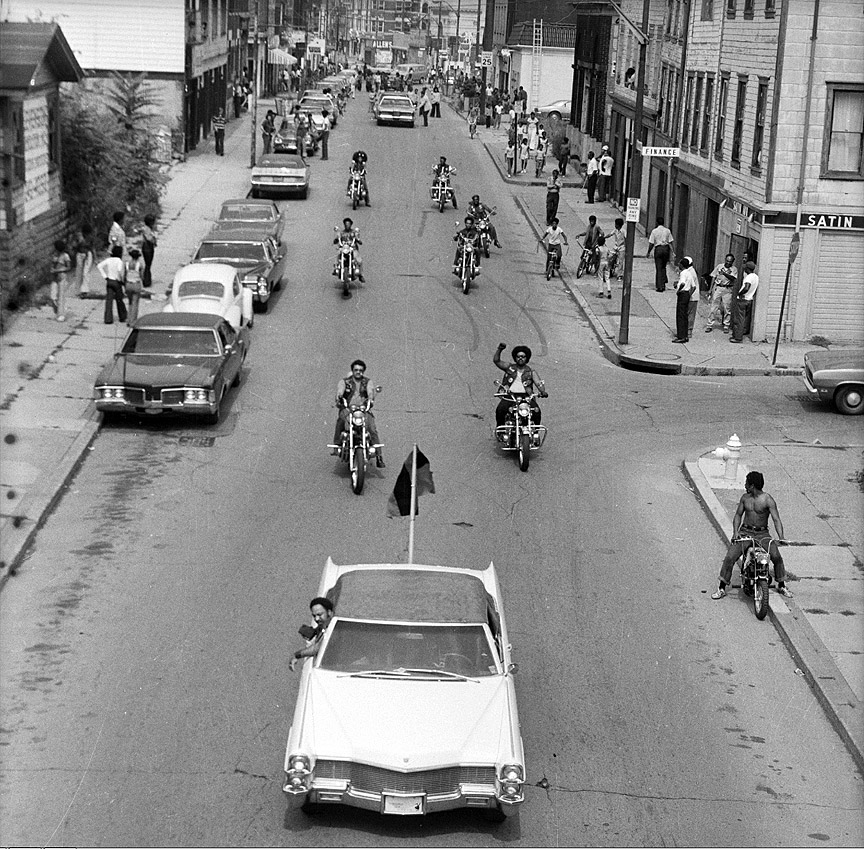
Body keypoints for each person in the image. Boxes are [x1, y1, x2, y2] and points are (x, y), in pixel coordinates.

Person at [712, 471, 793, 600]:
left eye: (746, 483)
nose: (745, 485)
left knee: (777, 557)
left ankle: (782, 585)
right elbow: (738, 515)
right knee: (730, 557)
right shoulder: (745, 498)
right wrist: (736, 532)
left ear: (752, 486)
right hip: (745, 532)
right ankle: (721, 587)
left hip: (762, 534)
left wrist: (781, 537)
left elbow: (776, 519)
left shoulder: (768, 500)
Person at [331, 360, 384, 467]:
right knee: (341, 421)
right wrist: (339, 397)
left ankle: (379, 456)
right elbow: (340, 390)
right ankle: (337, 446)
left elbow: (370, 391)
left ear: (363, 371)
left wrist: (371, 398)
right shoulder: (345, 382)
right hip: (348, 409)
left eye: (360, 370)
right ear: (352, 371)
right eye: (356, 370)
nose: (358, 372)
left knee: (372, 429)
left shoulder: (367, 382)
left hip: (363, 410)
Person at [493, 343, 547, 428]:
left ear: (527, 358)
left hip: (526, 397)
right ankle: (500, 431)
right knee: (500, 410)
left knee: (536, 411)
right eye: (518, 356)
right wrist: (500, 349)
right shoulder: (509, 367)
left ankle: (535, 431)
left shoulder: (531, 372)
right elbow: (497, 361)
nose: (520, 358)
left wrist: (542, 391)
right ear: (515, 358)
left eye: (523, 356)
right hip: (510, 396)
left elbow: (538, 383)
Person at [289, 597, 335, 671]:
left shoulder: (334, 629)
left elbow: (317, 648)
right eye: (314, 616)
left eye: (319, 614)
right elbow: (320, 629)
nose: (316, 619)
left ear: (329, 612)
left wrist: (296, 655)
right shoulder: (324, 625)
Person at [705, 253, 737, 333]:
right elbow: (714, 277)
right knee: (714, 307)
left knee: (727, 308)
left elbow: (733, 278)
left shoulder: (734, 269)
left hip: (727, 289)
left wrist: (725, 273)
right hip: (719, 287)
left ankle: (726, 325)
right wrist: (710, 289)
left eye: (730, 261)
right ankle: (709, 324)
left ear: (732, 262)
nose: (728, 263)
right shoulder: (719, 266)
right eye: (727, 261)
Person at [98, 246, 127, 325]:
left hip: (109, 281)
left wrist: (105, 276)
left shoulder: (108, 260)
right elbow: (119, 271)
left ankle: (108, 319)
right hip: (116, 281)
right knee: (119, 299)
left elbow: (99, 266)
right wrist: (121, 281)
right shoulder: (119, 261)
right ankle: (122, 316)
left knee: (109, 301)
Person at [673, 256, 699, 342]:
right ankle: (685, 335)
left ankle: (681, 336)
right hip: (687, 294)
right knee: (684, 316)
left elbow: (683, 283)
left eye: (680, 263)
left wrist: (678, 290)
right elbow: (694, 286)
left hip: (683, 294)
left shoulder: (683, 273)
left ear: (682, 265)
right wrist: (688, 295)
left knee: (680, 315)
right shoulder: (689, 273)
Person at [731, 261, 758, 343]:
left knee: (739, 319)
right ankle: (743, 332)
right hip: (749, 299)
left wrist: (739, 293)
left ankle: (738, 337)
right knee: (746, 318)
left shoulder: (748, 277)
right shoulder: (756, 277)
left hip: (743, 299)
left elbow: (746, 287)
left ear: (747, 268)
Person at [333, 217, 365, 285]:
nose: (347, 225)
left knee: (359, 260)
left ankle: (360, 275)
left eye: (348, 224)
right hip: (343, 248)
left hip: (353, 249)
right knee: (338, 254)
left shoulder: (354, 233)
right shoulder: (341, 233)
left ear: (351, 225)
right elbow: (336, 240)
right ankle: (336, 268)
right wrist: (336, 240)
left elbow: (359, 241)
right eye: (346, 224)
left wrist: (358, 240)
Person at [646, 216, 674, 292]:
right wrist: (672, 252)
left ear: (657, 223)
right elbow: (670, 242)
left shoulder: (654, 231)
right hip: (666, 249)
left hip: (658, 249)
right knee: (663, 267)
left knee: (658, 268)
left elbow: (651, 243)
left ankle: (659, 286)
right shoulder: (667, 231)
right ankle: (663, 283)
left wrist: (648, 252)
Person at [71, 223, 95, 298]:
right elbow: (73, 246)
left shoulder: (90, 237)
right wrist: (79, 243)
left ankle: (85, 290)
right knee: (79, 272)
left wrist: (95, 258)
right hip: (80, 254)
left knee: (86, 272)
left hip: (88, 254)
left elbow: (92, 248)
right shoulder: (78, 236)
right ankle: (78, 290)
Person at [50, 239, 71, 322]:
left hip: (62, 276)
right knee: (53, 296)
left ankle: (61, 314)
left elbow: (68, 267)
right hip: (54, 277)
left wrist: (58, 270)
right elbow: (52, 265)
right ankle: (57, 310)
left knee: (61, 296)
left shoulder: (65, 256)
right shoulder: (54, 256)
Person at [124, 248, 144, 325]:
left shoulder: (127, 264)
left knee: (130, 302)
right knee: (135, 303)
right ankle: (133, 321)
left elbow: (124, 274)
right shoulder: (139, 264)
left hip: (128, 283)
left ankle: (128, 319)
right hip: (136, 283)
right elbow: (142, 276)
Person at [141, 214, 157, 289]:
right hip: (147, 247)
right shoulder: (147, 229)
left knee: (148, 264)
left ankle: (147, 279)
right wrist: (154, 240)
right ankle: (146, 280)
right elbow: (149, 238)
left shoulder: (149, 229)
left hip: (149, 247)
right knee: (148, 264)